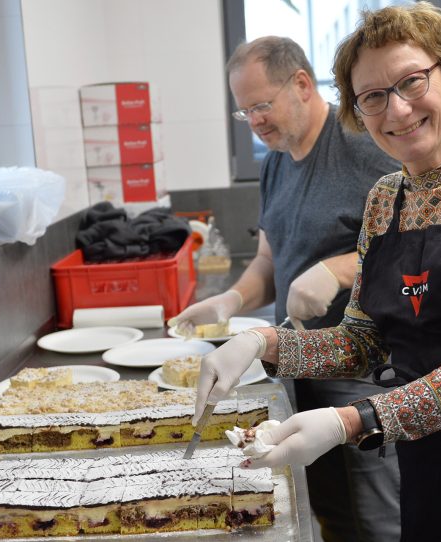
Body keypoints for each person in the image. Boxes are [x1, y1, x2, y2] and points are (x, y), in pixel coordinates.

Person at [193, 4, 441, 541]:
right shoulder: (387, 198)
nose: (397, 110)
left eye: (411, 82)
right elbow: (365, 341)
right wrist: (259, 343)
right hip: (427, 463)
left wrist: (351, 421)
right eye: (374, 97)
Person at [170, 37, 401, 541]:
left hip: (360, 367)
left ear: (300, 84)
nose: (255, 121)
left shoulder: (365, 143)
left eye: (261, 105)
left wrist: (339, 269)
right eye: (244, 112)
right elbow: (268, 260)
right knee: (326, 506)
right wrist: (232, 299)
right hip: (297, 358)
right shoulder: (274, 161)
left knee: (375, 515)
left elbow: (414, 246)